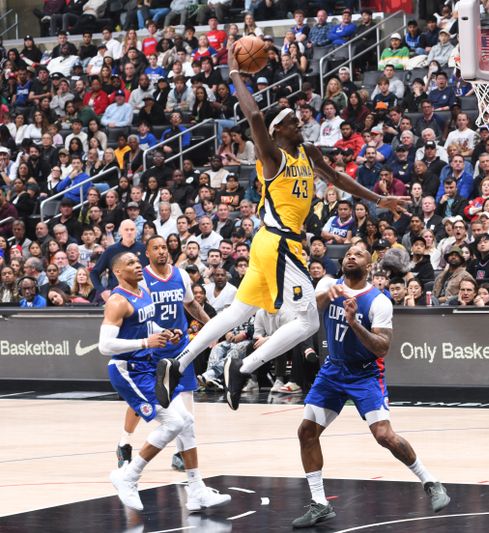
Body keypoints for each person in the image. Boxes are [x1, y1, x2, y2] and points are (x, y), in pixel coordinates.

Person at [155, 44, 410, 411]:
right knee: (307, 321)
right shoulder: (273, 157)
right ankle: (242, 366)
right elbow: (255, 116)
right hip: (278, 243)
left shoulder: (308, 154)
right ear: (278, 132)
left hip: (268, 244)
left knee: (236, 313)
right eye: (292, 120)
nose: (300, 121)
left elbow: (336, 176)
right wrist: (237, 73)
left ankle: (177, 366)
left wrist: (377, 199)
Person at [293, 246, 450, 527]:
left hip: (365, 374)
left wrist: (353, 323)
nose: (351, 256)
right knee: (306, 431)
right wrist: (321, 296)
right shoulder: (329, 285)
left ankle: (431, 482)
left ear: (369, 266)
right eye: (349, 253)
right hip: (333, 370)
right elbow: (304, 314)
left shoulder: (379, 302)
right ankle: (319, 503)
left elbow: (382, 348)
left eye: (359, 254)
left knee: (384, 435)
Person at [100, 252, 230, 512]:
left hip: (147, 366)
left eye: (138, 263)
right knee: (174, 422)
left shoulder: (143, 292)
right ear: (117, 272)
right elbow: (105, 346)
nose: (137, 266)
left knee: (187, 421)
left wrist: (165, 332)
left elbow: (147, 325)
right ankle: (128, 476)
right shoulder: (117, 301)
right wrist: (144, 343)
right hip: (128, 370)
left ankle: (196, 491)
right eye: (130, 264)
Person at [115, 236, 211, 472]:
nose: (161, 252)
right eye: (155, 248)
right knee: (143, 402)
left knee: (186, 398)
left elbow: (191, 304)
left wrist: (211, 326)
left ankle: (180, 452)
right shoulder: (142, 279)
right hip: (153, 347)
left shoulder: (181, 275)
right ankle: (125, 442)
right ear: (147, 253)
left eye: (164, 248)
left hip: (180, 346)